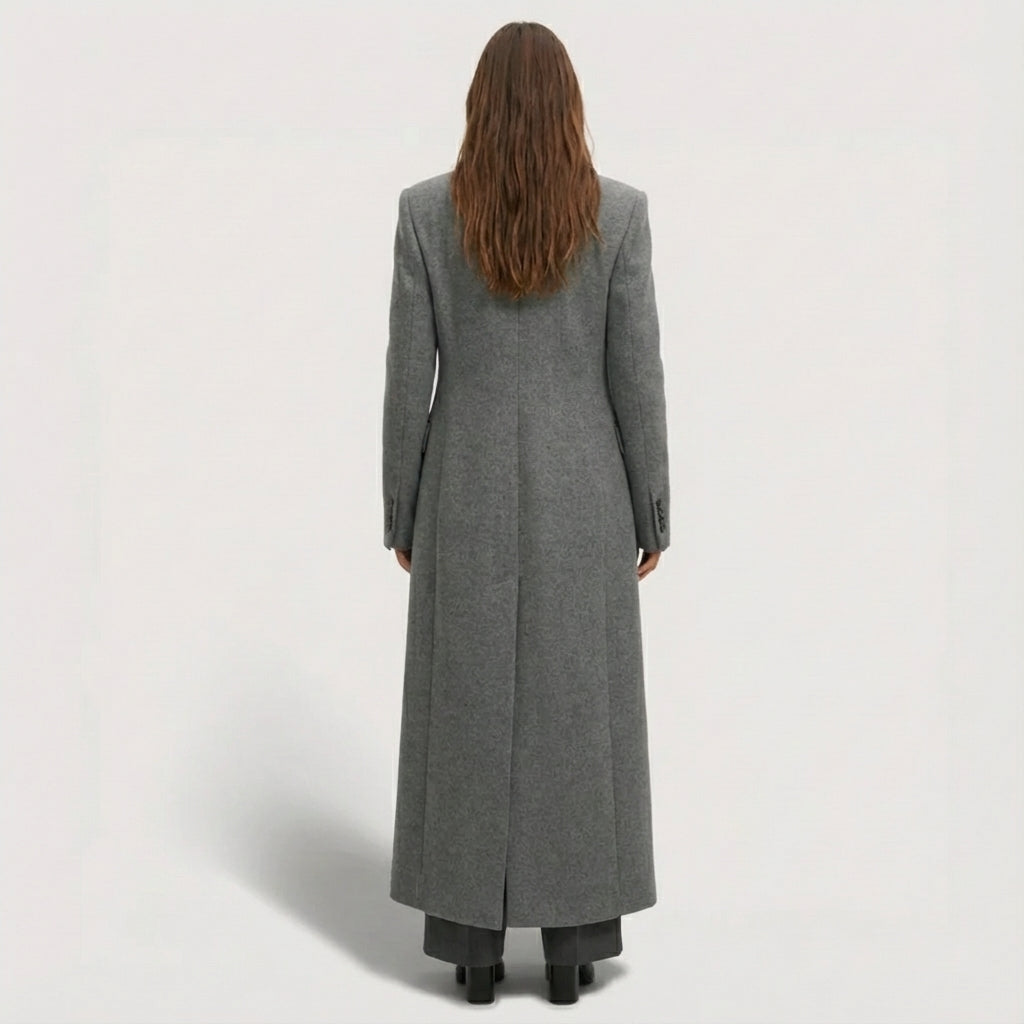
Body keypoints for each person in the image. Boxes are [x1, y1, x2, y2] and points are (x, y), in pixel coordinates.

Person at [381, 20, 671, 1006]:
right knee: (575, 714)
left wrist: (402, 510)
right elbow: (636, 378)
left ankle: (470, 950)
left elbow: (406, 382)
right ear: (569, 107)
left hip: (461, 489)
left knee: (465, 710)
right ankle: (572, 952)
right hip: (585, 496)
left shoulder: (425, 215)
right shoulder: (618, 216)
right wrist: (651, 510)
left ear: (478, 105)